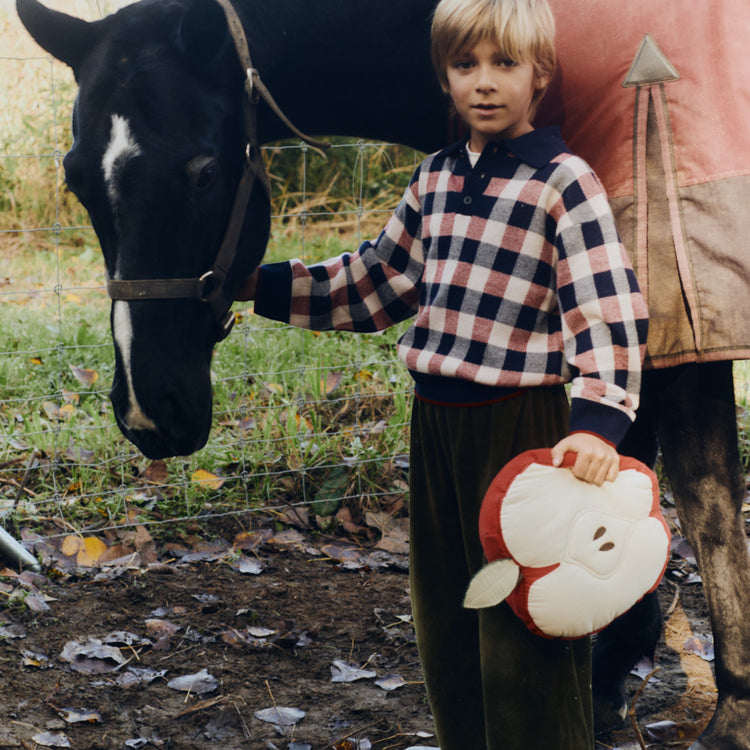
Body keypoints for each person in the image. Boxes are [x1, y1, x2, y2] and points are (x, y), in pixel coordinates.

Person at [237, 0, 648, 746]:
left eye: (504, 64)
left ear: (540, 75)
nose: (484, 84)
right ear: (445, 77)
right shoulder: (433, 182)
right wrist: (254, 283)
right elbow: (372, 284)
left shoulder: (564, 183)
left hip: (523, 434)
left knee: (526, 626)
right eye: (466, 66)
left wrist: (598, 424)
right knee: (449, 619)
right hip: (436, 428)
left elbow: (607, 308)